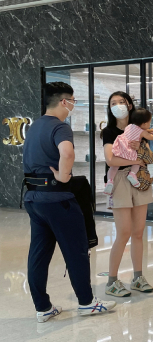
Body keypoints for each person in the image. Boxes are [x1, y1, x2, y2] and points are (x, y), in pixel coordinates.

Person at [22, 82, 116, 322]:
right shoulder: (60, 127)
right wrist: (64, 176)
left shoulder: (33, 127)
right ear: (64, 101)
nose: (74, 104)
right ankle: (86, 302)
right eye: (73, 100)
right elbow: (67, 152)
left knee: (39, 254)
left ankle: (42, 308)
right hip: (58, 199)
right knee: (76, 251)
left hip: (34, 199)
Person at [102, 91, 153, 297]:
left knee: (138, 232)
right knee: (123, 232)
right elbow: (110, 160)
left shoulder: (139, 128)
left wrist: (140, 155)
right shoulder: (109, 131)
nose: (117, 106)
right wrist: (136, 160)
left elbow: (149, 156)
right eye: (113, 103)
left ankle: (138, 277)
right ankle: (112, 281)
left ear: (129, 105)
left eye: (121, 102)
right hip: (120, 180)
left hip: (140, 179)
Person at [104, 108, 153, 195]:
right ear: (145, 123)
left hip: (120, 148)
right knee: (137, 162)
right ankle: (132, 174)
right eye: (149, 123)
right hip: (130, 150)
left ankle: (110, 181)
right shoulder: (142, 133)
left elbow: (139, 130)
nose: (149, 124)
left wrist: (148, 130)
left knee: (114, 167)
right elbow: (152, 137)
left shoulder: (129, 126)